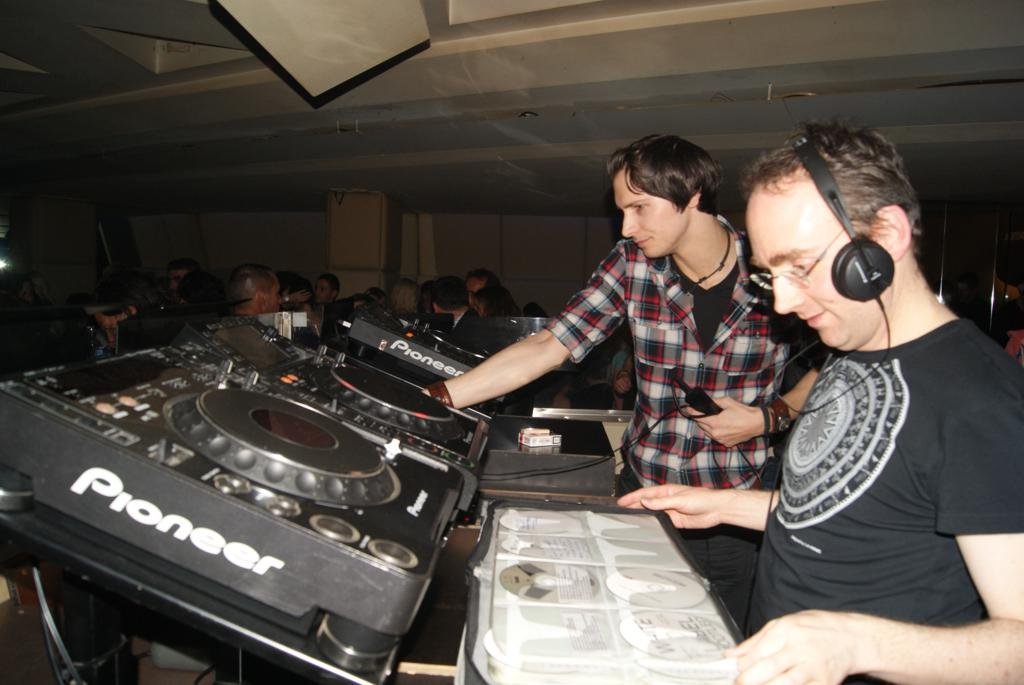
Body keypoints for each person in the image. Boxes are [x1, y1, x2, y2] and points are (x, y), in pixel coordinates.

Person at [621, 121, 1024, 684]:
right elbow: (844, 514)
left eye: (801, 267)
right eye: (771, 276)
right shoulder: (850, 353)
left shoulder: (980, 400)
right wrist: (723, 505)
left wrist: (853, 644)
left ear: (885, 237)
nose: (784, 302)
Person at [428, 134, 813, 625]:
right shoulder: (631, 263)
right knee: (634, 625)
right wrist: (437, 397)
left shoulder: (767, 263)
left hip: (731, 507)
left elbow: (838, 361)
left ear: (692, 195)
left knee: (720, 639)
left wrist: (770, 417)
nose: (627, 227)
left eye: (639, 208)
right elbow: (548, 345)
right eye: (622, 211)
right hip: (643, 491)